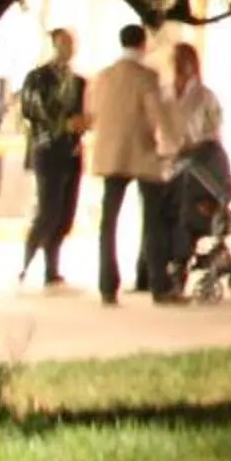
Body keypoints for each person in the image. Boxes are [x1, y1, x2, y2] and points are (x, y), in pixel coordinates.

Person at [84, 24, 167, 307]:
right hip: (143, 152)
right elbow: (157, 116)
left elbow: (92, 113)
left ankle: (107, 285)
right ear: (142, 45)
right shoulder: (147, 78)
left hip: (110, 154)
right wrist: (169, 146)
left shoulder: (103, 77)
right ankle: (157, 284)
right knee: (154, 221)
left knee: (109, 222)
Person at [15, 28, 91, 288]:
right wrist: (62, 123)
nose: (66, 50)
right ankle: (26, 262)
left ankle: (52, 267)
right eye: (62, 45)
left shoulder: (80, 82)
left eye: (70, 45)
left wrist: (83, 123)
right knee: (48, 209)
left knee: (66, 213)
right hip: (47, 149)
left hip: (72, 151)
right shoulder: (37, 78)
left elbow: (86, 111)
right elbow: (31, 108)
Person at [158, 41, 228, 303]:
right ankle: (155, 272)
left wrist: (195, 146)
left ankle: (179, 268)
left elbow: (214, 129)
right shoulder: (162, 92)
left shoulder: (205, 96)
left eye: (184, 61)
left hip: (198, 162)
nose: (179, 67)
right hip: (168, 164)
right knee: (162, 217)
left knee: (187, 219)